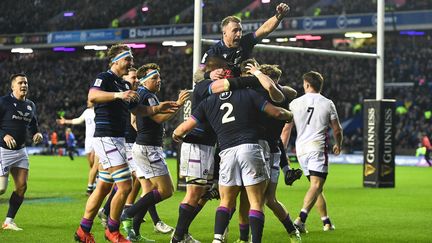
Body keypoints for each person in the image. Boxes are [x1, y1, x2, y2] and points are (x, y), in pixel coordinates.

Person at [74, 44, 178, 243]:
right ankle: (112, 231)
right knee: (125, 186)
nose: (131, 62)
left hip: (117, 139)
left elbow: (139, 111)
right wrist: (118, 95)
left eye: (131, 58)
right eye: (128, 59)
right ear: (115, 60)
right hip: (106, 137)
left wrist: (158, 108)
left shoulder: (123, 84)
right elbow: (92, 96)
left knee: (104, 187)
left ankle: (83, 231)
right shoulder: (105, 78)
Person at [173, 87, 293, 243]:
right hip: (249, 147)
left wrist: (175, 135)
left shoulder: (208, 101)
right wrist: (289, 114)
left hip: (227, 151)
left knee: (226, 201)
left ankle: (217, 240)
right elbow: (278, 112)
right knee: (256, 201)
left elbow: (182, 129)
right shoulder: (248, 93)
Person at [121, 63, 189, 242]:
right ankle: (128, 212)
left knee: (149, 191)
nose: (159, 81)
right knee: (166, 190)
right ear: (144, 81)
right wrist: (179, 105)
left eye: (159, 77)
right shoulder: (148, 95)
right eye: (154, 78)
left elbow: (140, 119)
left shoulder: (143, 95)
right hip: (148, 149)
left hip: (143, 147)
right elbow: (158, 118)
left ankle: (134, 234)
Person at [170, 57, 232, 243]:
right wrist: (207, 75)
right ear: (217, 71)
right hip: (197, 144)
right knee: (193, 193)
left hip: (206, 145)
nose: (226, 75)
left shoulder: (209, 85)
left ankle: (182, 233)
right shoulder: (205, 84)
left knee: (202, 194)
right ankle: (177, 238)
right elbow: (206, 79)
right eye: (224, 71)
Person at [283, 71, 343, 233]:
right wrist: (338, 144)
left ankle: (327, 222)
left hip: (301, 150)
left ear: (307, 84)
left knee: (316, 187)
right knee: (316, 185)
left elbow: (286, 130)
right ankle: (300, 220)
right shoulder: (327, 103)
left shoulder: (295, 103)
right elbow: (337, 129)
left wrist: (283, 153)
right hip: (317, 147)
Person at [196, 2, 290, 81]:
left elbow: (265, 29)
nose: (239, 34)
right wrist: (209, 75)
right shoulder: (213, 52)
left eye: (240, 30)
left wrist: (279, 16)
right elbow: (197, 75)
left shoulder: (246, 41)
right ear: (225, 33)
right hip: (224, 91)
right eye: (235, 30)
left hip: (244, 87)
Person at [0, 73, 43, 230]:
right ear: (13, 86)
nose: (24, 85)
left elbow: (33, 123)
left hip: (20, 152)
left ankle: (8, 221)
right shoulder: (3, 102)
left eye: (26, 83)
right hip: (2, 150)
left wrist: (36, 133)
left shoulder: (30, 105)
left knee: (21, 187)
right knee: (1, 189)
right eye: (20, 83)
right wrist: (4, 135)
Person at [56, 100, 98, 195]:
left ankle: (92, 185)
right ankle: (95, 181)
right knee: (91, 164)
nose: (87, 101)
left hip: (97, 139)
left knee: (95, 163)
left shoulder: (99, 111)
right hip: (88, 141)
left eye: (89, 100)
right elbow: (78, 120)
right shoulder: (87, 112)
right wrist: (65, 121)